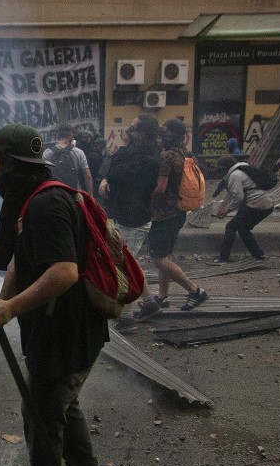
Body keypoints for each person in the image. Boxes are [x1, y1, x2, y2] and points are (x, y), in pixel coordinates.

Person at [0, 123, 110, 466]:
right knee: (61, 406)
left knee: (42, 414)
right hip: (61, 330)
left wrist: (12, 309)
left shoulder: (45, 205)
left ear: (9, 163)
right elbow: (22, 259)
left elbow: (64, 272)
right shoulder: (33, 198)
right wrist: (3, 303)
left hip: (65, 333)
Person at [98, 115, 166, 324]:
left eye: (133, 128)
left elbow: (119, 173)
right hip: (124, 214)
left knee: (122, 266)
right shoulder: (134, 153)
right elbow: (109, 170)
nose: (128, 130)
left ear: (143, 133)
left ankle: (126, 316)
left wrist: (122, 152)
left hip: (134, 219)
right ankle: (150, 303)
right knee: (130, 263)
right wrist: (105, 178)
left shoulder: (150, 159)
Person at [147, 118, 209, 312]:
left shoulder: (167, 156)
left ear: (171, 134)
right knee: (164, 257)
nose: (161, 134)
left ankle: (195, 291)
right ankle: (162, 296)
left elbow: (161, 187)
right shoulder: (186, 154)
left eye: (164, 131)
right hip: (179, 211)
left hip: (164, 213)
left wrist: (145, 196)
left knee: (158, 259)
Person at [211, 154, 275, 262]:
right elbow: (234, 194)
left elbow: (238, 197)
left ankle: (223, 258)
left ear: (225, 167)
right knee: (243, 228)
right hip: (267, 204)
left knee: (231, 227)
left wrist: (227, 210)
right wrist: (224, 207)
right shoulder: (244, 168)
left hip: (256, 204)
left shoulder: (235, 175)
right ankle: (258, 255)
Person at [42, 124, 93, 193]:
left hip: (53, 193)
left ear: (57, 136)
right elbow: (87, 175)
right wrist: (90, 195)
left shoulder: (47, 152)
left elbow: (43, 174)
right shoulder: (79, 152)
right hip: (73, 193)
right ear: (71, 136)